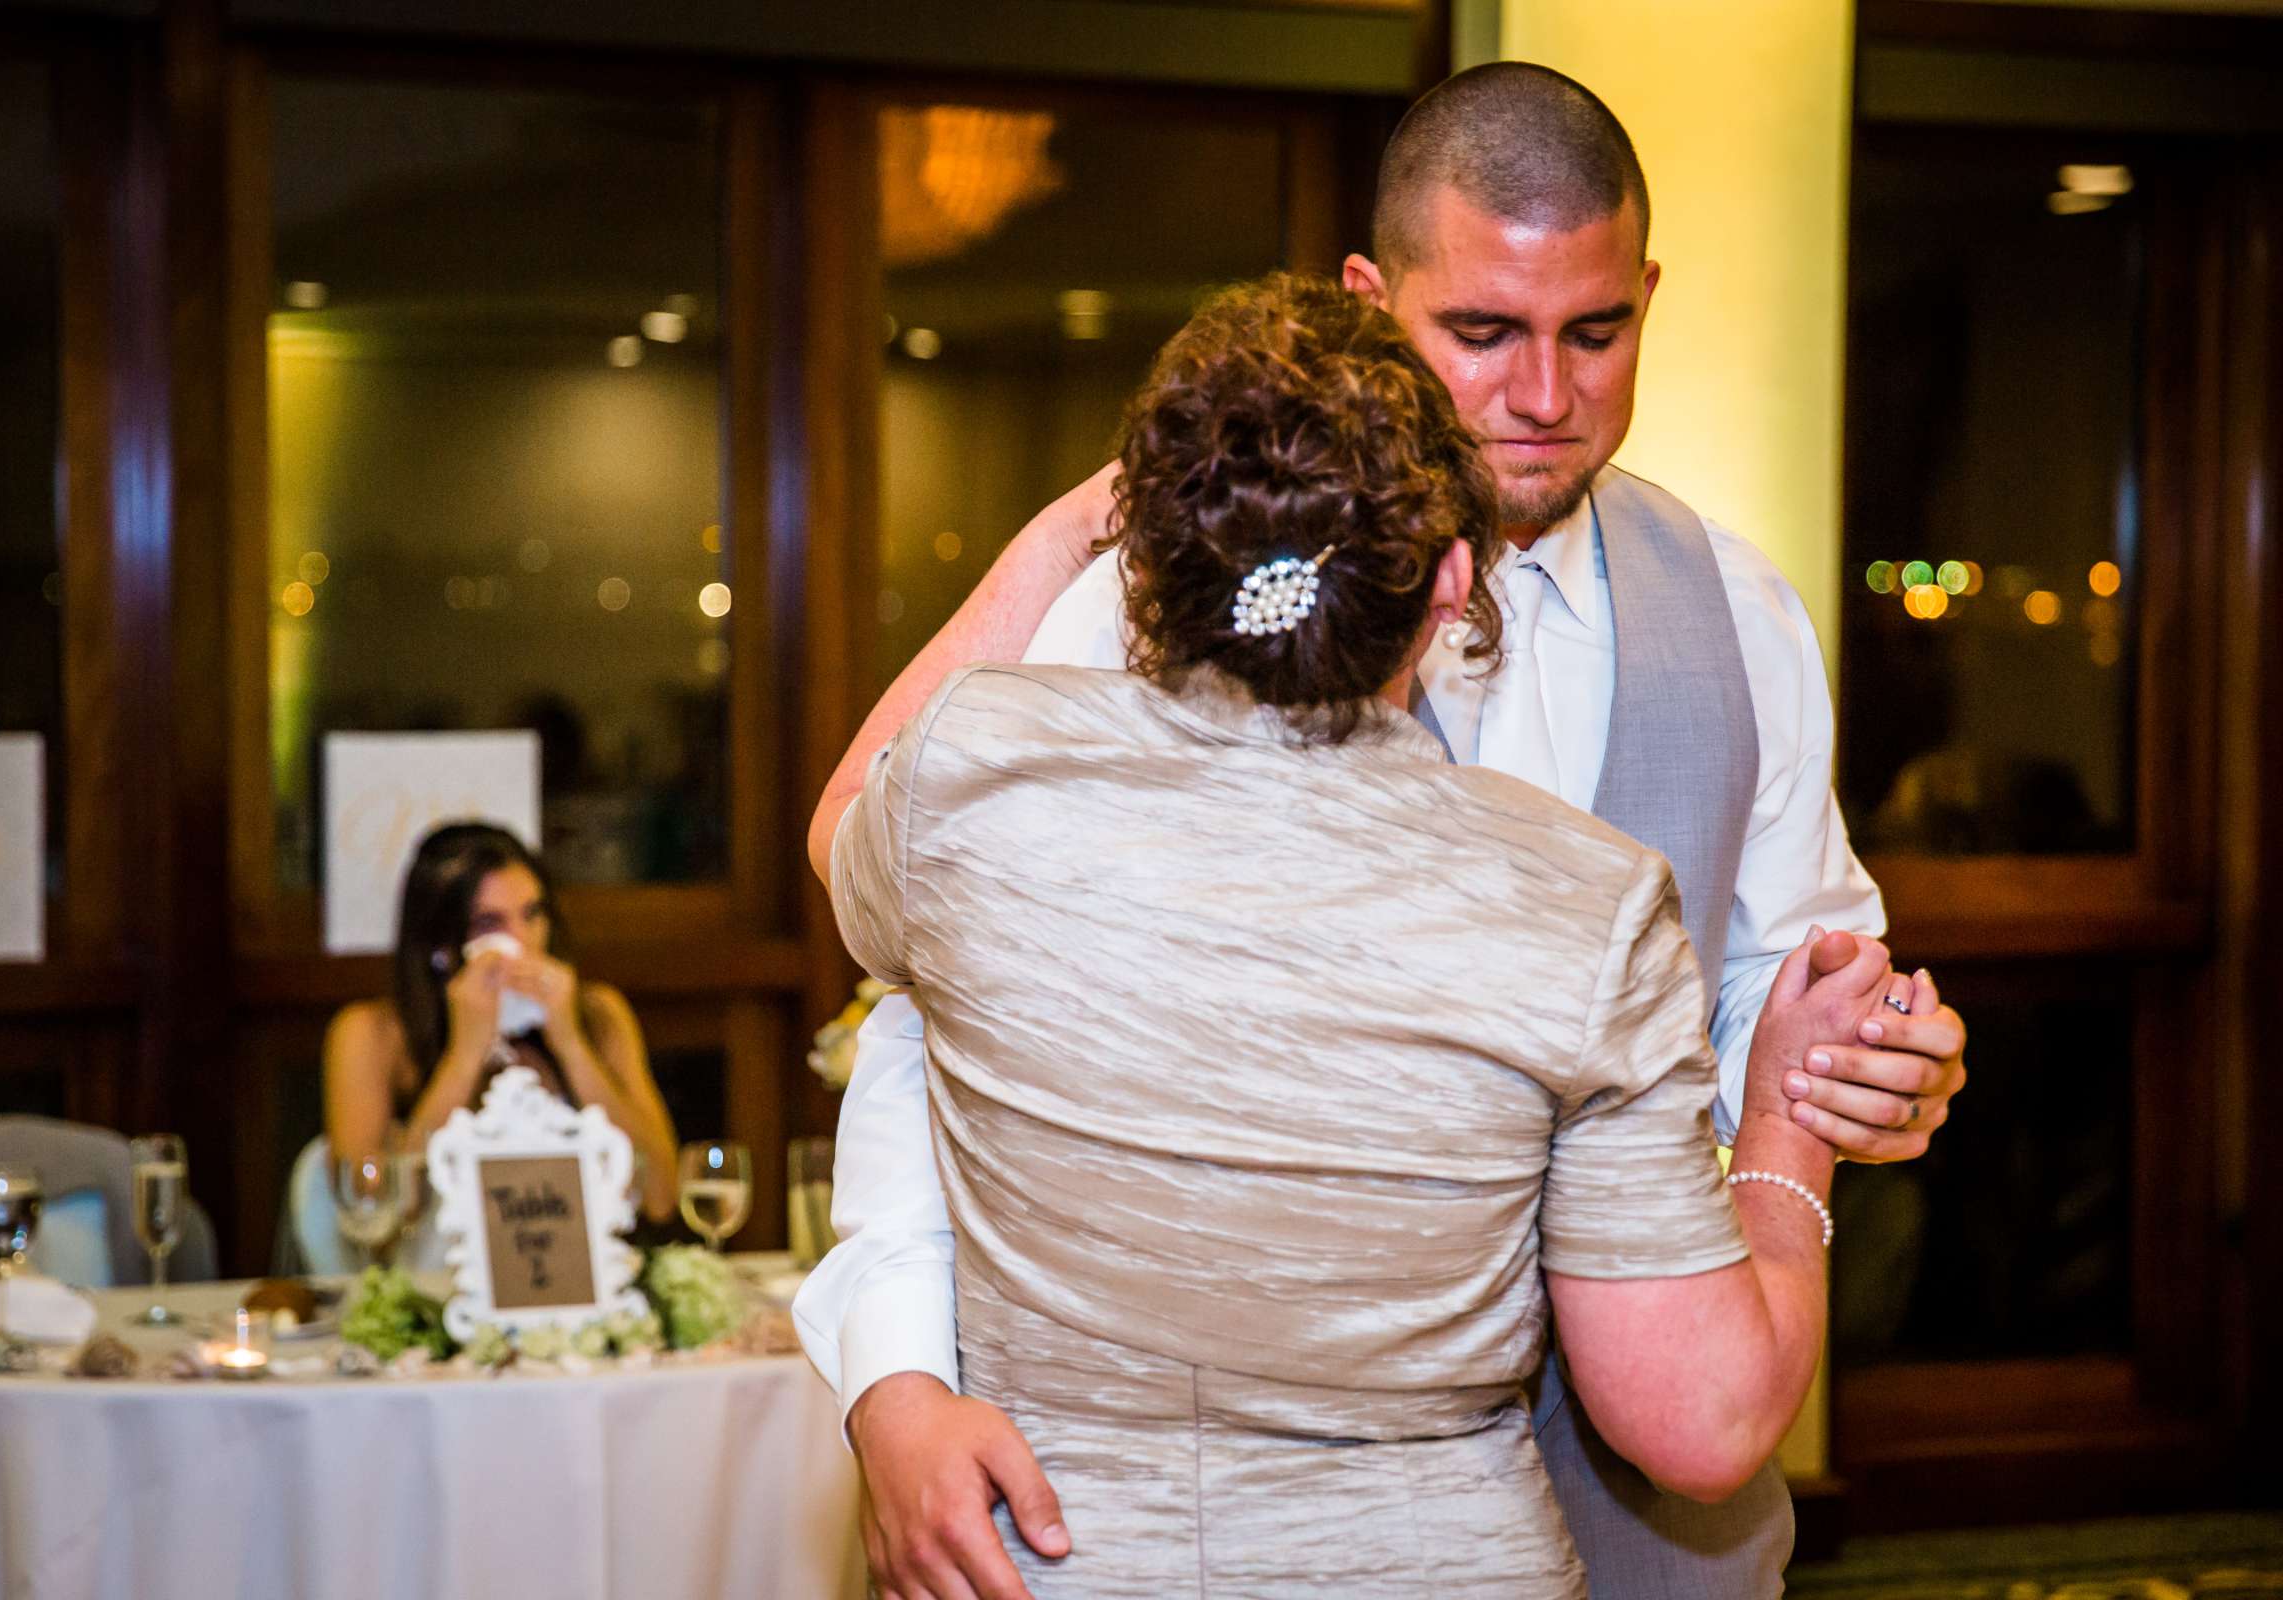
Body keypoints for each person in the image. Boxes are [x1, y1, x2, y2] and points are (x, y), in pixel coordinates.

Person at [796, 61, 1971, 1600]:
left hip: (1642, 1467)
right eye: (1481, 333)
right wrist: (894, 1380)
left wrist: (1865, 1066)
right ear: (1371, 298)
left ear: (1647, 298)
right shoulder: (1134, 607)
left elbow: (1778, 990)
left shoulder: (1741, 607)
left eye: (1596, 332)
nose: (1543, 395)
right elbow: (930, 1019)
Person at [323, 821, 681, 1221]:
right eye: (490, 923)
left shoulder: (599, 1015)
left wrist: (572, 1046)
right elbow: (372, 1215)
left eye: (532, 915)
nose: (523, 942)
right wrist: (464, 1057)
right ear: (441, 946)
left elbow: (661, 1196)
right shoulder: (370, 1032)